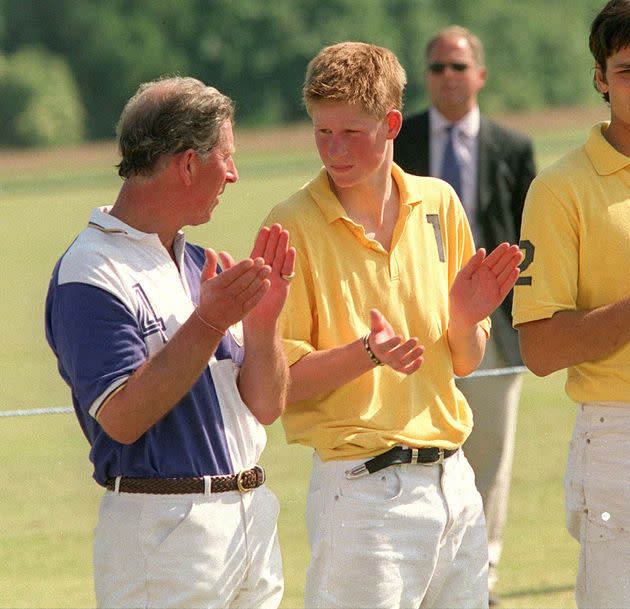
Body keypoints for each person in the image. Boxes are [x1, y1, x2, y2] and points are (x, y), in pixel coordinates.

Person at [264, 41, 523, 609]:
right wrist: (366, 352)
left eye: (351, 132)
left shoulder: (439, 202)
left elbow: (465, 360)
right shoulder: (290, 226)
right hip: (361, 497)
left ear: (391, 123)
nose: (334, 150)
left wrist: (463, 318)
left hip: (455, 485)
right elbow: (276, 385)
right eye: (321, 132)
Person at [44, 76, 295, 609]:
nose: (233, 172)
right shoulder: (89, 273)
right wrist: (207, 324)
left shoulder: (203, 263)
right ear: (187, 163)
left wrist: (263, 324)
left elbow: (267, 407)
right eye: (225, 156)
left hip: (249, 525)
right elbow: (123, 417)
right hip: (164, 539)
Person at [394, 26, 537, 603]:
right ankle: (423, 575)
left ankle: (484, 578)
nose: (447, 78)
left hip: (494, 332)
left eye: (458, 67)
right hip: (413, 327)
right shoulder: (400, 142)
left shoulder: (511, 145)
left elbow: (531, 236)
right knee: (414, 452)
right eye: (436, 68)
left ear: (480, 75)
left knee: (488, 458)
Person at [513, 1, 630, 606]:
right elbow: (541, 348)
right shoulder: (559, 189)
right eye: (628, 70)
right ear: (600, 77)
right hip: (617, 436)